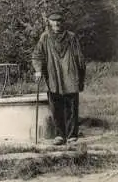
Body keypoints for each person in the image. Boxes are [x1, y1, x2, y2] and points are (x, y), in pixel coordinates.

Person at [32, 11, 86, 145]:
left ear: (63, 23)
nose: (56, 24)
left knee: (71, 106)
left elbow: (79, 57)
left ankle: (72, 135)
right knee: (56, 106)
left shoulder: (71, 37)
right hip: (53, 75)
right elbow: (37, 55)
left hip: (70, 74)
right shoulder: (45, 37)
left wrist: (80, 75)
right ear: (49, 22)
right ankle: (59, 135)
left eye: (59, 21)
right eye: (53, 21)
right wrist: (38, 70)